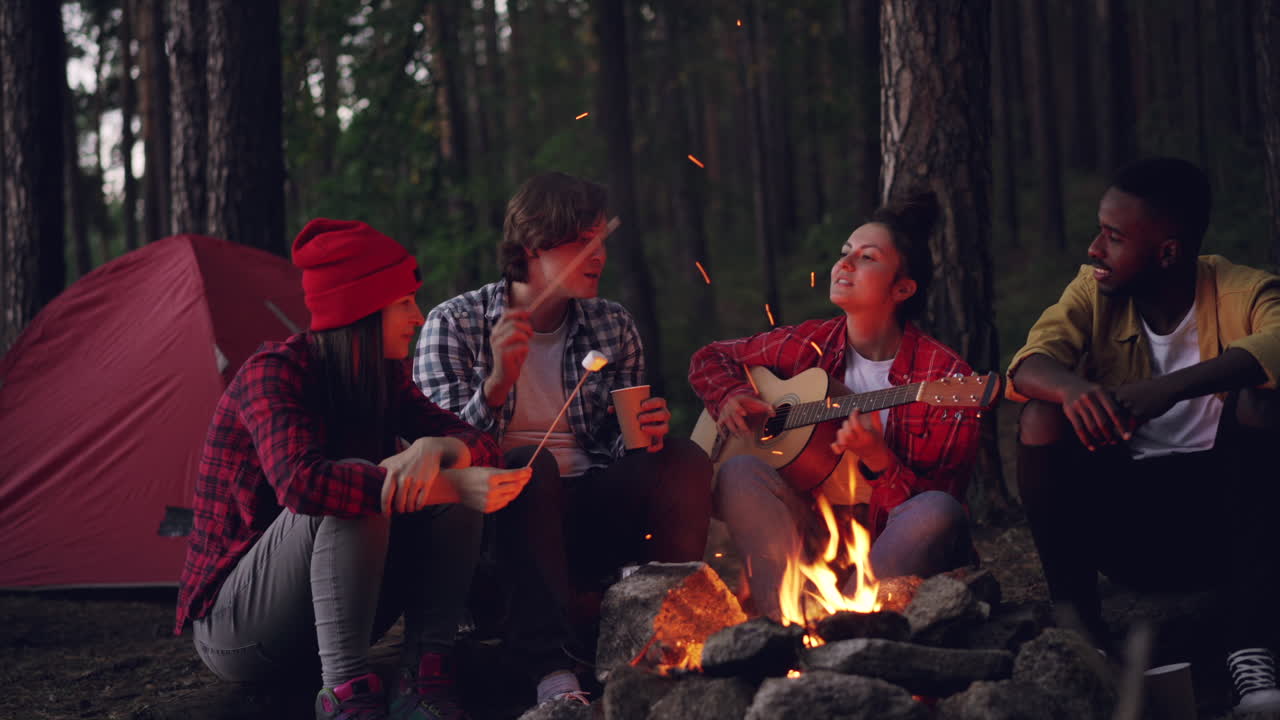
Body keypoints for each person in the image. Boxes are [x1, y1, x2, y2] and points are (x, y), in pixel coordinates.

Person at [175, 218, 532, 720]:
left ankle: (425, 675)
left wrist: (436, 450)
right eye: (405, 303)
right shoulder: (273, 373)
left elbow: (477, 444)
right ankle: (344, 696)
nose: (418, 316)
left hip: (338, 611)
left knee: (441, 487)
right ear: (363, 310)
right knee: (364, 485)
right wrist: (448, 483)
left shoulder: (383, 376)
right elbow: (303, 483)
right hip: (238, 630)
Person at [413, 172, 713, 707]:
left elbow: (616, 447)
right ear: (532, 247)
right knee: (530, 463)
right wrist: (498, 384)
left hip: (588, 505)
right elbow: (449, 455)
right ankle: (551, 671)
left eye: (601, 239)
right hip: (501, 517)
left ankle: (672, 632)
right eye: (581, 241)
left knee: (685, 458)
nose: (598, 254)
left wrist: (640, 434)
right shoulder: (454, 324)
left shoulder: (611, 325)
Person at [1008, 157, 1280, 713]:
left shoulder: (1241, 290)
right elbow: (1029, 362)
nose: (1094, 249)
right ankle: (1080, 632)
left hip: (1234, 524)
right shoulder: (1092, 291)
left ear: (1168, 252)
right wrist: (1071, 390)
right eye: (1098, 232)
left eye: (1113, 237)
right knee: (1041, 414)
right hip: (1131, 522)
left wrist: (1168, 389)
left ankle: (1251, 651)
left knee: (1261, 399)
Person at [688, 191, 981, 622]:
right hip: (809, 539)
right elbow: (710, 358)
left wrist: (879, 461)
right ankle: (778, 624)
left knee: (938, 513)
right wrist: (729, 395)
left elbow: (936, 508)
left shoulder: (944, 378)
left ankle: (842, 622)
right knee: (738, 470)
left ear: (902, 288)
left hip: (889, 549)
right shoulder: (810, 344)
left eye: (866, 258)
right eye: (844, 253)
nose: (844, 264)